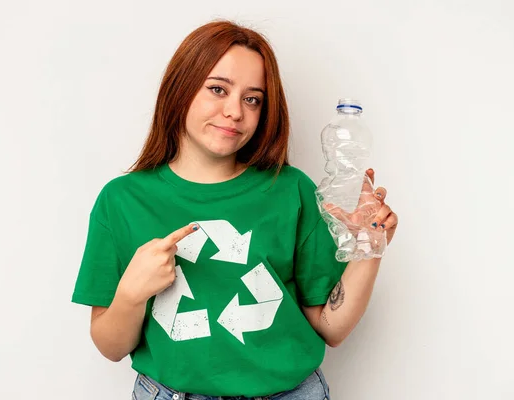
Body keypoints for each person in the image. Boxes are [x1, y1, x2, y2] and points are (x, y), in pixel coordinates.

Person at [71, 19, 398, 400]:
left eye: (252, 98)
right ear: (180, 88)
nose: (235, 112)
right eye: (217, 89)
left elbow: (332, 328)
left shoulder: (291, 190)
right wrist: (130, 293)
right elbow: (111, 347)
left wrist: (368, 248)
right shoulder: (122, 200)